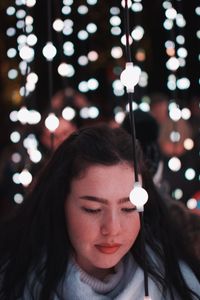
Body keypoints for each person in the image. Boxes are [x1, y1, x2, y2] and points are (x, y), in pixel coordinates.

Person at [0, 124, 199, 300]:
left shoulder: (178, 281)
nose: (112, 229)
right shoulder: (15, 284)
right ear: (60, 203)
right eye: (92, 209)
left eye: (128, 208)